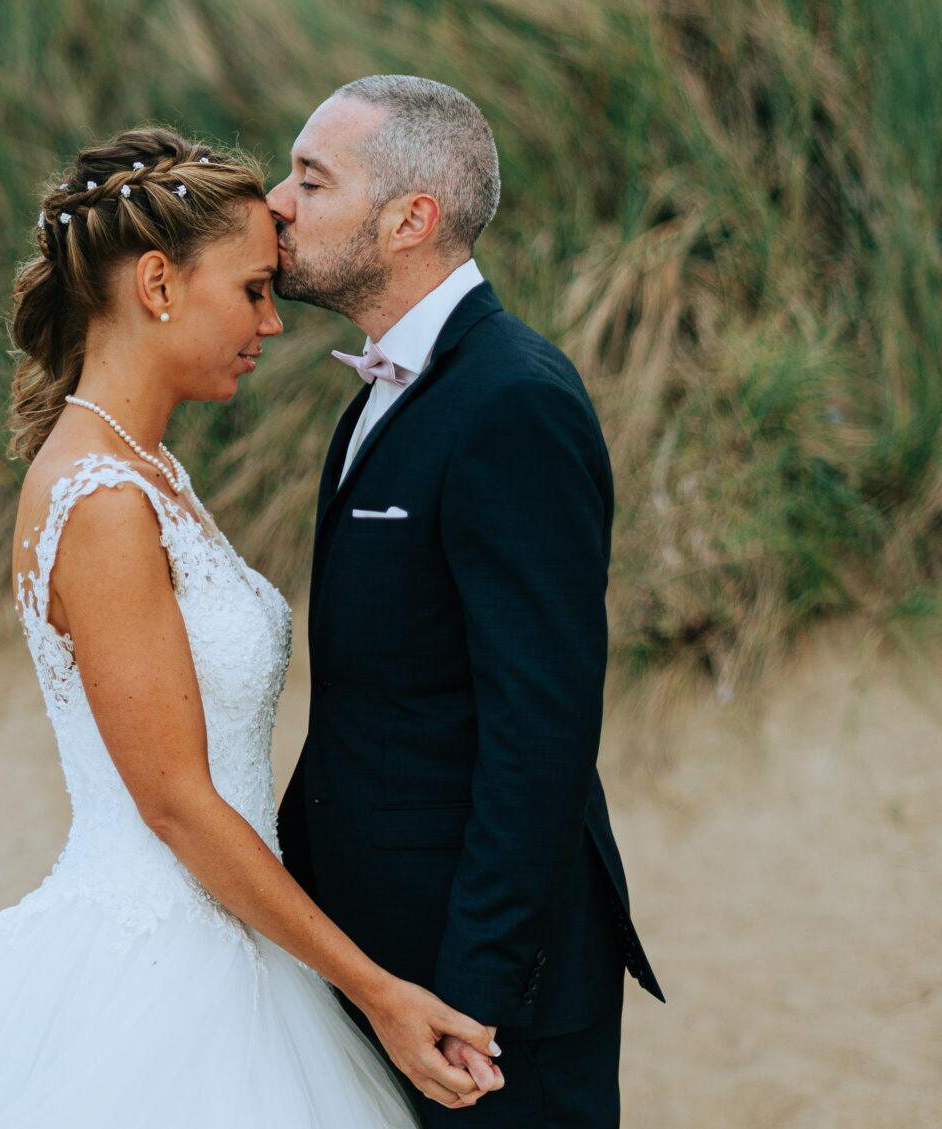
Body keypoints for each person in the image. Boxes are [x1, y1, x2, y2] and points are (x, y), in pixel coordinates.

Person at [0, 127, 499, 1129]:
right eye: (250, 290)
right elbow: (178, 804)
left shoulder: (147, 472)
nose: (270, 325)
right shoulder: (99, 499)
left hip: (233, 943)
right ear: (156, 283)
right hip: (159, 962)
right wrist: (375, 988)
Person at [269, 76, 667, 1128]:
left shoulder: (513, 400)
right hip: (380, 958)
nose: (277, 201)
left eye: (310, 179)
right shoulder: (387, 391)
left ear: (410, 218)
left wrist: (474, 992)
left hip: (482, 995)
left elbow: (540, 722)